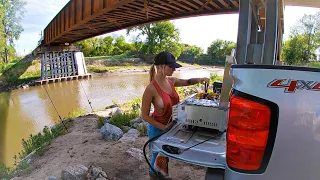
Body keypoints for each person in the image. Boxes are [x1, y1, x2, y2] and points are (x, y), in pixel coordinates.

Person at [141, 51, 209, 180]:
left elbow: (187, 81)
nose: (174, 69)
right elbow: (145, 115)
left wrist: (200, 79)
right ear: (160, 66)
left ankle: (163, 176)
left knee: (165, 155)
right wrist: (163, 127)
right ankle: (154, 177)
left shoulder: (171, 81)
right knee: (157, 156)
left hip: (171, 126)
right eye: (171, 66)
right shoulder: (151, 89)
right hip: (157, 129)